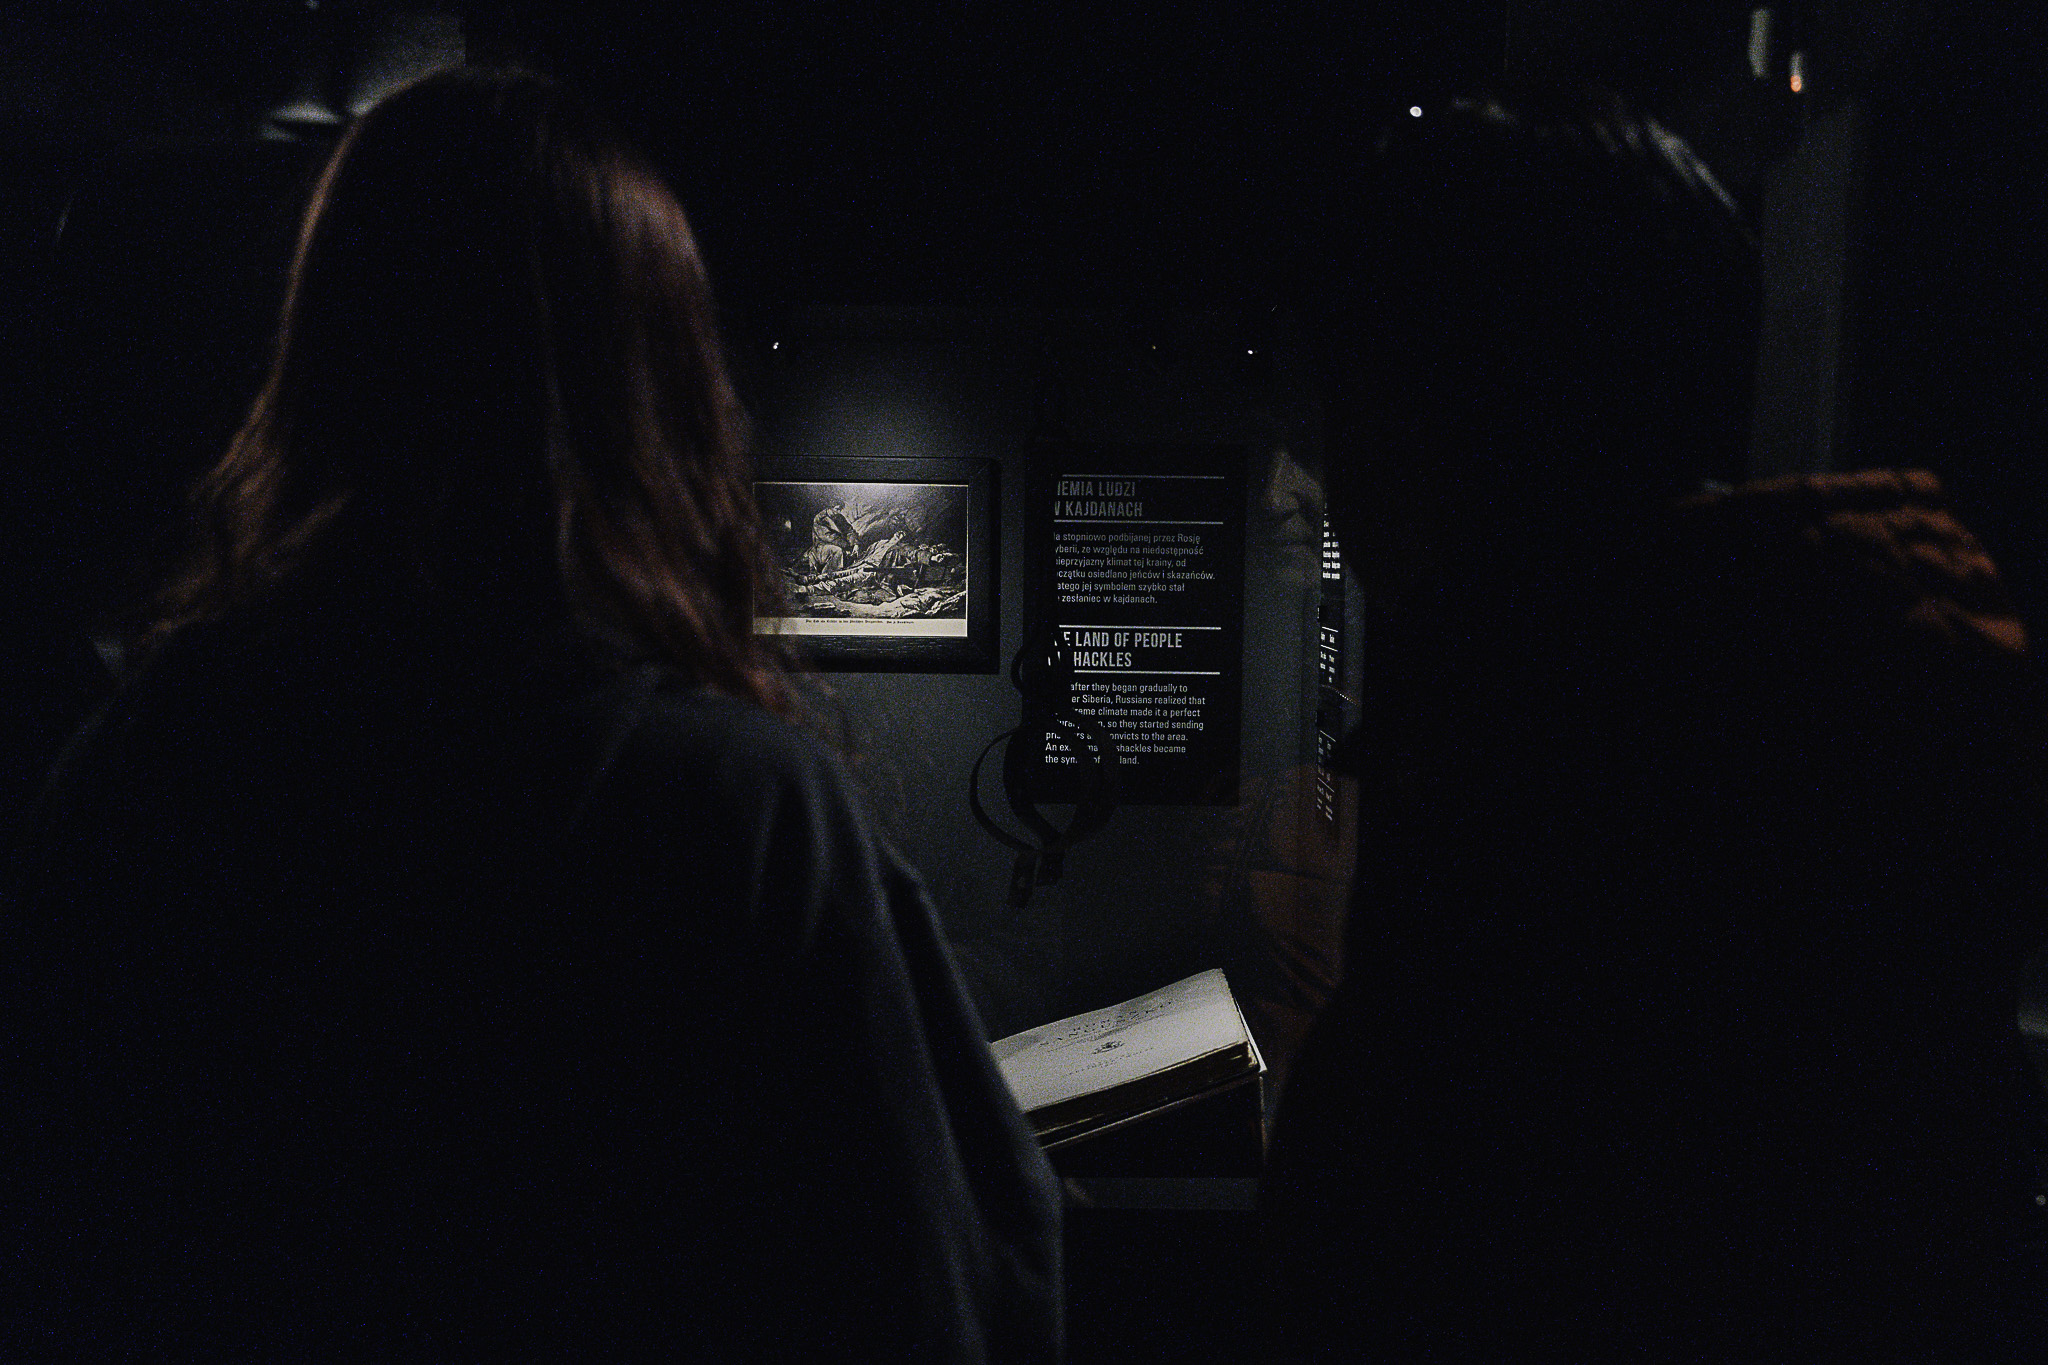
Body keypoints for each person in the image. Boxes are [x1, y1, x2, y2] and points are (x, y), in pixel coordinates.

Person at [2, 67, 1061, 1360]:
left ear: (323, 360)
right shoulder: (736, 811)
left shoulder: (141, 774)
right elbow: (929, 1294)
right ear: (659, 394)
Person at [1263, 87, 2048, 1360]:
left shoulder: (1586, 783)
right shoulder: (1767, 719)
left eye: (1362, 392)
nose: (1338, 464)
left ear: (1459, 417)